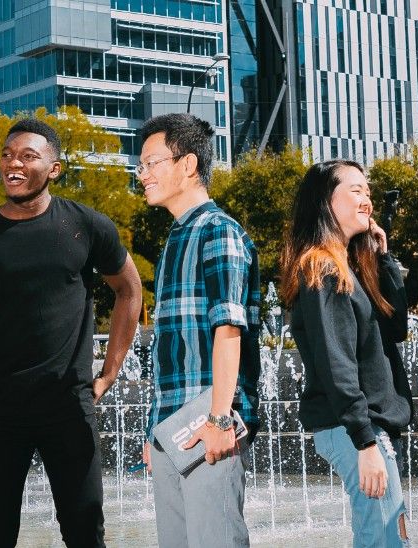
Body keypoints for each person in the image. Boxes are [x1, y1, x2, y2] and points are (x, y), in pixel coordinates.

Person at [0, 118, 142, 547]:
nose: (13, 163)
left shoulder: (86, 226)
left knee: (86, 533)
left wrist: (108, 373)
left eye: (28, 156)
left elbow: (130, 288)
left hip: (69, 408)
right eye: (7, 155)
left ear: (54, 168)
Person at [136, 113, 261, 547]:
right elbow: (170, 349)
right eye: (141, 166)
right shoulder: (175, 238)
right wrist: (156, 434)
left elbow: (229, 331)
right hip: (173, 430)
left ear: (188, 164)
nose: (143, 175)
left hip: (209, 426)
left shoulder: (218, 231)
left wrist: (219, 420)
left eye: (152, 163)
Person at [283, 160, 412, 546]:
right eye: (355, 190)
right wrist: (365, 440)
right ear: (326, 202)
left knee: (389, 535)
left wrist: (384, 258)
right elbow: (335, 361)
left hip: (367, 427)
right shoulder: (322, 268)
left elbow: (396, 330)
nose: (367, 198)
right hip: (357, 428)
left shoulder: (351, 266)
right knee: (383, 537)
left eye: (367, 191)